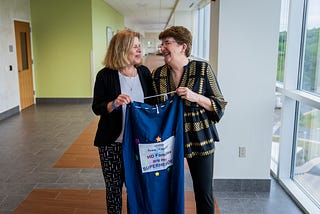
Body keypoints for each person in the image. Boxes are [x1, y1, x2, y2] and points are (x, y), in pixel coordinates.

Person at [152, 26, 227, 214]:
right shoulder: (158, 74)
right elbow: (153, 109)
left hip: (200, 138)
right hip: (167, 141)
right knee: (165, 190)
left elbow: (219, 104)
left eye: (167, 43)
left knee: (203, 192)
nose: (163, 48)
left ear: (182, 46)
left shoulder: (202, 69)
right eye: (162, 44)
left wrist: (196, 97)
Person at [92, 29, 154, 214]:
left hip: (139, 143)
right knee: (114, 189)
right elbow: (97, 107)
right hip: (112, 143)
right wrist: (113, 103)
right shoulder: (105, 75)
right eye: (134, 46)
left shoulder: (144, 72)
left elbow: (152, 104)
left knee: (137, 188)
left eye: (139, 46)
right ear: (121, 49)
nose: (139, 50)